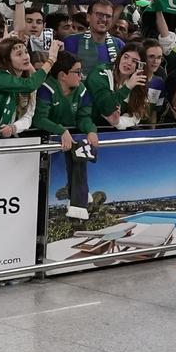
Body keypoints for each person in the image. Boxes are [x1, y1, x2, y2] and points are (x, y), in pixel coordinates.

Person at [36, 51, 99, 223]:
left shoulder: (82, 90)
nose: (81, 75)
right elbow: (39, 118)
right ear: (63, 75)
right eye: (77, 72)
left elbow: (83, 117)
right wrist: (61, 130)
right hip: (44, 143)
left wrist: (91, 130)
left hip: (69, 143)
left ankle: (78, 201)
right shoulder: (45, 88)